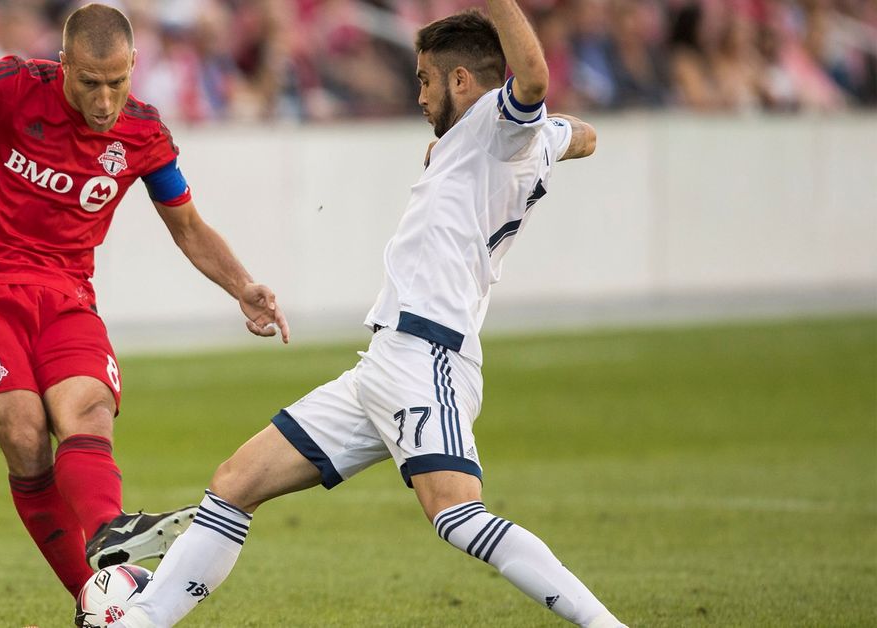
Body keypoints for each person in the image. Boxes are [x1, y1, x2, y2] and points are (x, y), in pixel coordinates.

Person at [110, 4, 627, 628]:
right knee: (235, 482)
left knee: (458, 516)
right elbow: (587, 136)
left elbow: (535, 82)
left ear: (463, 82)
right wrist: (548, 135)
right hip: (385, 364)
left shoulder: (498, 123)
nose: (418, 95)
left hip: (428, 356)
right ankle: (142, 622)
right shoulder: (516, 135)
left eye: (425, 80)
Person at [0, 2, 290, 619]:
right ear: (63, 65)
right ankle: (96, 593)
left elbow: (187, 225)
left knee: (87, 409)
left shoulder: (144, 133)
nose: (105, 101)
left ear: (134, 65)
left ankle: (108, 546)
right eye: (89, 83)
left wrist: (242, 285)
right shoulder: (9, 86)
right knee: (25, 437)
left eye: (117, 82)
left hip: (67, 295)